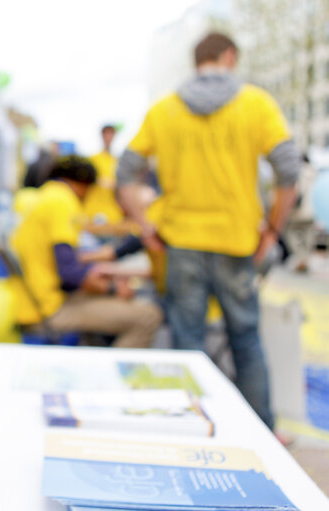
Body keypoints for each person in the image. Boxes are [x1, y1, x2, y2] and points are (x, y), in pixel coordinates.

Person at [117, 32, 300, 429]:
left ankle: (191, 430)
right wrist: (272, 230)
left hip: (181, 244)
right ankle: (263, 434)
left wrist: (147, 227)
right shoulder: (255, 103)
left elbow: (125, 172)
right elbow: (288, 169)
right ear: (229, 57)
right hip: (237, 243)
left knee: (187, 344)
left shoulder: (164, 109)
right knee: (246, 341)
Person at [11, 156, 163, 348]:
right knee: (148, 316)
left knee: (115, 301)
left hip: (33, 301)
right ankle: (111, 377)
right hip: (48, 310)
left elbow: (62, 260)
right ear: (83, 185)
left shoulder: (45, 196)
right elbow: (69, 272)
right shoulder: (62, 202)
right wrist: (113, 289)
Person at [84, 125, 125, 226]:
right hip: (93, 210)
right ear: (102, 136)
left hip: (112, 211)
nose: (108, 137)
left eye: (111, 134)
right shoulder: (93, 159)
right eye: (106, 134)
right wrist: (99, 181)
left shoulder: (117, 161)